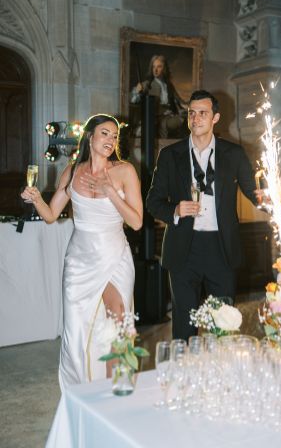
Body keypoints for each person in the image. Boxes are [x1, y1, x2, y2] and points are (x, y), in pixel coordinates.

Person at [21, 114, 142, 388]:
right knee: (77, 328)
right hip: (80, 259)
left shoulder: (124, 171)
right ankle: (79, 389)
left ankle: (118, 387)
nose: (110, 140)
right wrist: (36, 198)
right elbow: (51, 215)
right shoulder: (74, 171)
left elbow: (136, 222)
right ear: (90, 136)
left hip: (114, 254)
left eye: (114, 136)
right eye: (104, 134)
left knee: (118, 316)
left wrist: (109, 190)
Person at [145, 91, 262, 341]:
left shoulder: (234, 154)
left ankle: (222, 377)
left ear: (215, 118)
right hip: (183, 249)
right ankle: (184, 377)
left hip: (221, 248)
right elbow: (153, 202)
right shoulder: (169, 155)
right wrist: (175, 210)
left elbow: (256, 194)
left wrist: (276, 201)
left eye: (203, 113)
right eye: (191, 113)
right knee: (184, 327)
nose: (196, 118)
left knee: (225, 326)